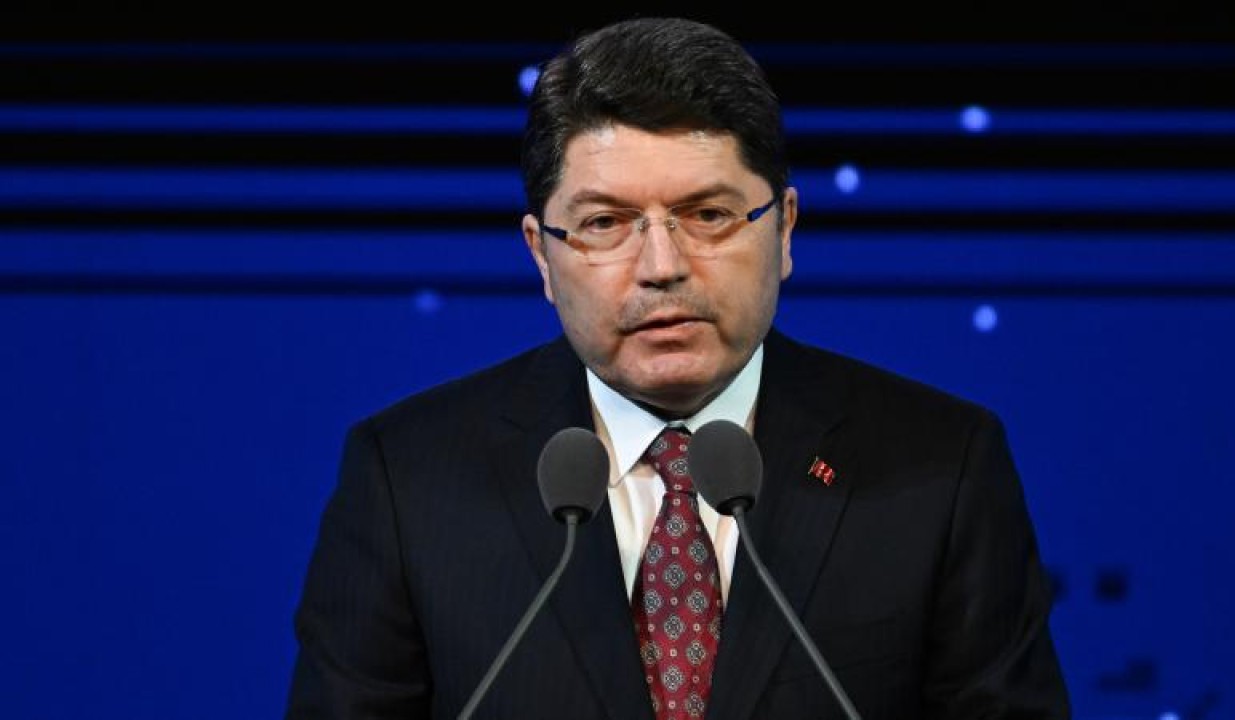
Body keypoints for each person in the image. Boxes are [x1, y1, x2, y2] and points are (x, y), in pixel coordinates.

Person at [285, 16, 1071, 720]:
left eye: (708, 215)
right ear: (542, 256)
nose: (662, 266)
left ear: (784, 229)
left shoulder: (942, 464)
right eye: (605, 223)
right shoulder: (407, 478)